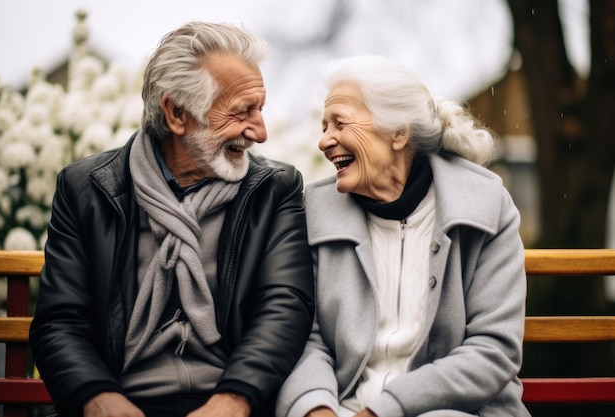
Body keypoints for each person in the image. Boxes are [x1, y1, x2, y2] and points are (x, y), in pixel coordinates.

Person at [29, 21, 315, 417]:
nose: (260, 132)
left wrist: (235, 398)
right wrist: (97, 398)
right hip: (120, 401)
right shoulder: (86, 190)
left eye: (260, 108)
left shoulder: (273, 189)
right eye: (241, 112)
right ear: (178, 114)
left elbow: (284, 306)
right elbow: (60, 320)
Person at [276, 55, 530, 417]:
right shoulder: (315, 212)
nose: (324, 141)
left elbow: (492, 349)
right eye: (323, 127)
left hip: (456, 411)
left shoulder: (484, 206)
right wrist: (315, 407)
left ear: (398, 133)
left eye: (340, 123)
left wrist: (384, 409)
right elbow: (304, 337)